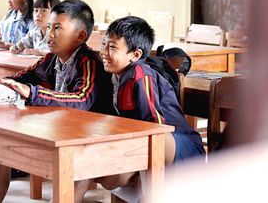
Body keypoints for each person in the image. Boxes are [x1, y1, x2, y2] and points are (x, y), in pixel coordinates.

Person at [0, 0, 115, 203]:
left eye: (57, 28)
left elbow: (81, 99)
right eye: (49, 27)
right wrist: (5, 83)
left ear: (80, 36)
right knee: (0, 149)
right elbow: (24, 77)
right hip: (61, 133)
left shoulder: (89, 63)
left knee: (75, 169)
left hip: (89, 141)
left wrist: (33, 93)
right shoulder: (52, 59)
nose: (49, 34)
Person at [75, 16, 206, 202]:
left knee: (150, 141)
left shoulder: (140, 75)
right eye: (104, 44)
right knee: (104, 174)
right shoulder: (113, 76)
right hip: (143, 144)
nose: (103, 52)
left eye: (112, 47)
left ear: (135, 55)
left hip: (180, 147)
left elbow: (156, 129)